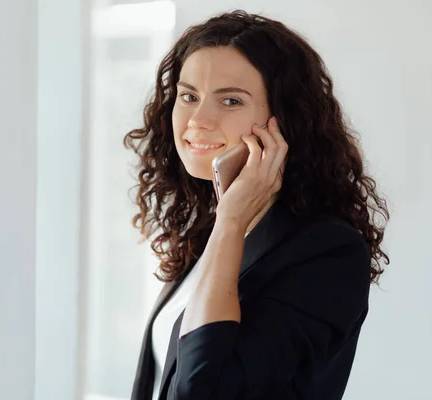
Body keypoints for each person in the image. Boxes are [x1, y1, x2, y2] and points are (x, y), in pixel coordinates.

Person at [124, 9, 389, 400]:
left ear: (284, 121)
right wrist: (227, 222)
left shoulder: (328, 252)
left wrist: (231, 221)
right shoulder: (208, 231)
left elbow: (203, 391)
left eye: (230, 100)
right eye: (188, 96)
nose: (198, 119)